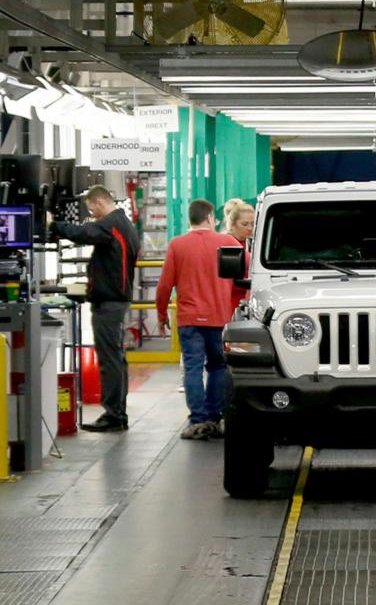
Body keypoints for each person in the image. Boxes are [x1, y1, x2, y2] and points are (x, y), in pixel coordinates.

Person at [51, 185, 138, 433]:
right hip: (116, 300)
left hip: (109, 303)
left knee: (110, 360)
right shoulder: (122, 223)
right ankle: (117, 412)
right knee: (116, 359)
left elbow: (82, 233)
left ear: (100, 203)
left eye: (93, 210)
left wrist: (51, 225)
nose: (93, 215)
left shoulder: (110, 223)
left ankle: (114, 415)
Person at [156, 199, 243, 440]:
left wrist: (162, 314)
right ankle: (214, 416)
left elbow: (164, 285)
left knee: (193, 367)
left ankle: (198, 419)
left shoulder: (177, 245)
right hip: (218, 317)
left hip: (189, 319)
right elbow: (247, 271)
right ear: (209, 217)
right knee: (217, 366)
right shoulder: (227, 242)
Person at [221, 198, 255, 308]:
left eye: (253, 223)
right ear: (233, 224)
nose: (250, 228)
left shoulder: (258, 243)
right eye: (245, 224)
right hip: (231, 302)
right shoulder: (225, 243)